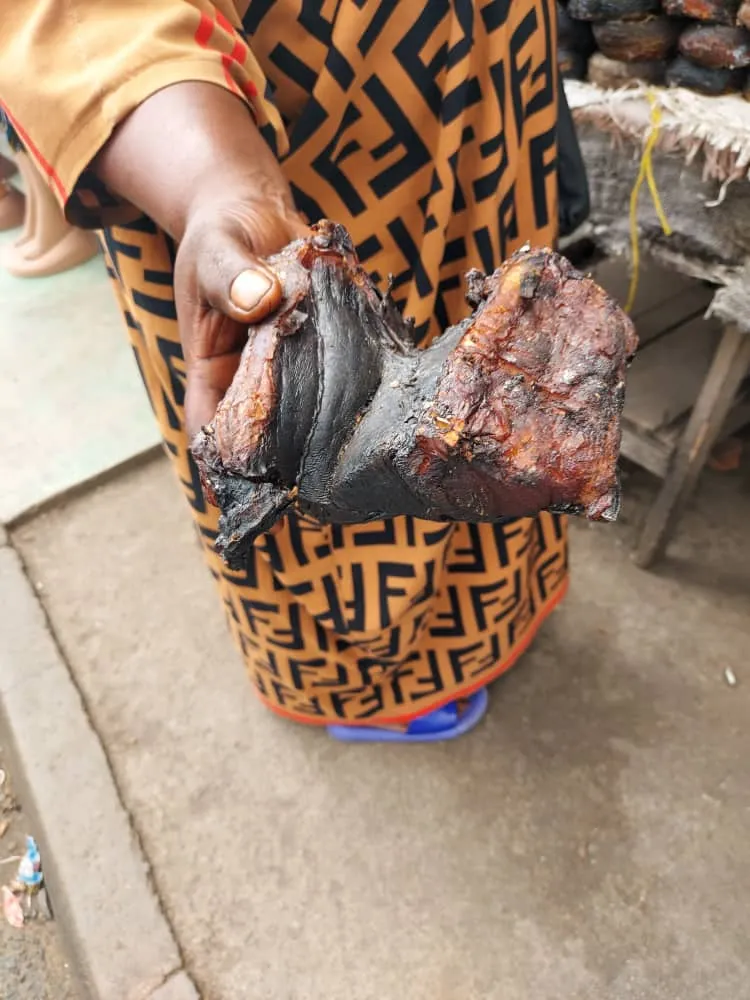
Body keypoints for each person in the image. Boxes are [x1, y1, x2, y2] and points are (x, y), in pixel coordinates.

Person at [0, 1, 568, 742]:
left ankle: (487, 617)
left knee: (498, 412)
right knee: (303, 442)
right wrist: (216, 182)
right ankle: (364, 682)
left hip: (486, 93)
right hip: (270, 124)